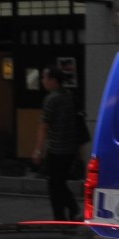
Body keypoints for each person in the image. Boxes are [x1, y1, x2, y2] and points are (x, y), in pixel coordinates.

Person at [31, 65, 81, 221]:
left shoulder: (51, 99)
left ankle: (62, 217)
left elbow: (44, 126)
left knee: (54, 186)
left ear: (53, 80)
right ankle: (71, 210)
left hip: (57, 149)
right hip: (70, 149)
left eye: (44, 78)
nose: (42, 81)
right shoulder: (69, 96)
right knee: (59, 182)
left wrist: (38, 150)